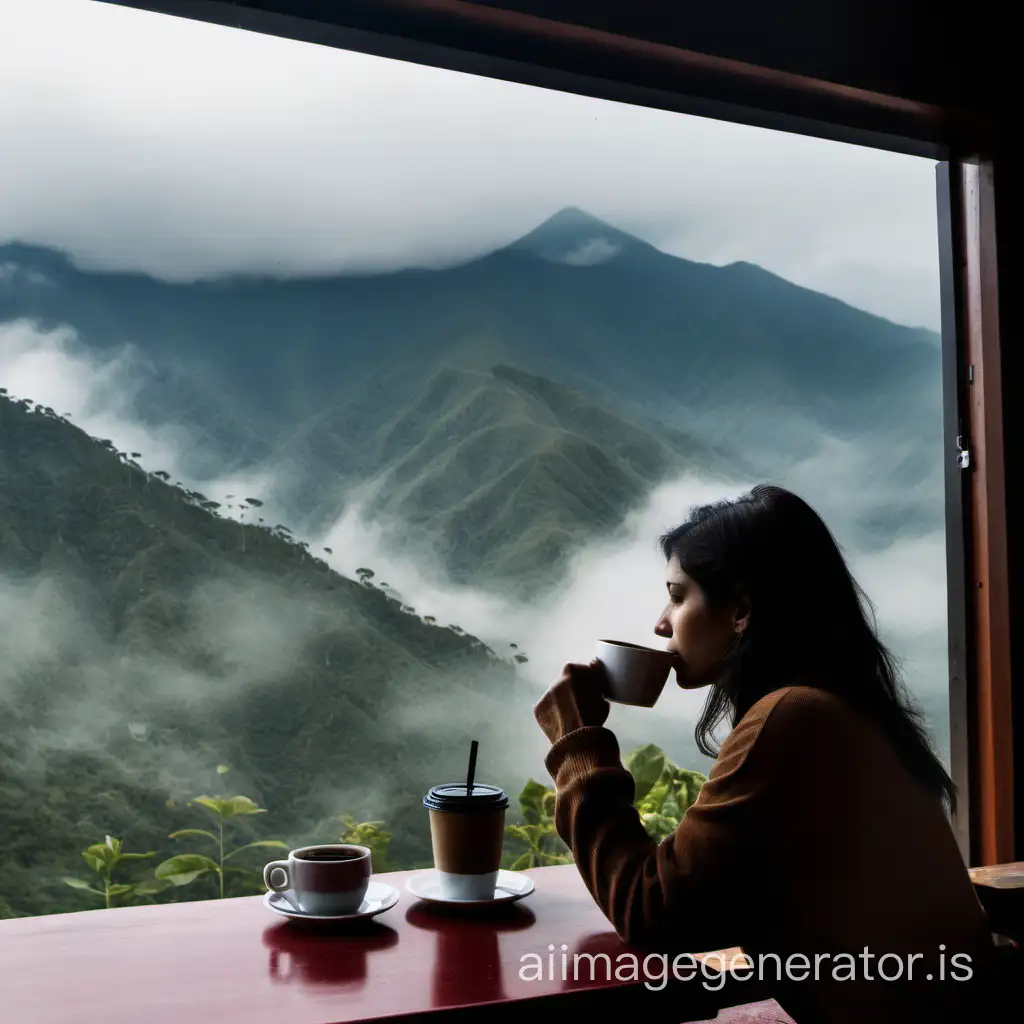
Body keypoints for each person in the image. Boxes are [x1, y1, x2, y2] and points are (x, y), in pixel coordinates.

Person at [533, 484, 1010, 1023]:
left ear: (740, 610)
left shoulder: (792, 716)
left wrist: (579, 746)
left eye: (677, 594)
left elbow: (652, 913)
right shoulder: (839, 705)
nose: (660, 623)